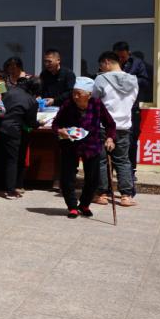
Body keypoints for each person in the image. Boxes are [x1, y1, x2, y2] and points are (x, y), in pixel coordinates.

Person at [53, 77, 115, 218]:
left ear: (89, 94)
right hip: (70, 144)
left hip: (91, 145)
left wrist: (110, 138)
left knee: (93, 179)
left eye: (78, 93)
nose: (75, 96)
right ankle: (72, 207)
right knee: (67, 178)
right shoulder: (68, 104)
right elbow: (56, 124)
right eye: (73, 93)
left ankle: (84, 204)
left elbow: (110, 124)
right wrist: (60, 131)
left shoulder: (97, 104)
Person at [93, 52, 138, 207]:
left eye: (101, 66)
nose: (100, 69)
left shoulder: (101, 79)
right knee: (123, 160)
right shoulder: (133, 80)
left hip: (103, 126)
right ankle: (126, 196)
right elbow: (132, 101)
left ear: (107, 62)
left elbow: (94, 100)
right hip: (124, 126)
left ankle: (102, 194)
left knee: (102, 160)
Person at [114, 41, 151, 188]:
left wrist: (128, 79)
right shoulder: (111, 62)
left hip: (131, 107)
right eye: (118, 57)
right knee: (112, 138)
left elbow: (145, 82)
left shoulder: (137, 63)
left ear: (128, 53)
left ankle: (131, 170)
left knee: (131, 139)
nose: (120, 60)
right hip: (114, 108)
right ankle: (113, 170)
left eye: (122, 57)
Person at [0, 77, 39, 200]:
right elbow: (31, 123)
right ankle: (10, 190)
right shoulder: (31, 100)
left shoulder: (8, 90)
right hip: (13, 130)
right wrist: (39, 123)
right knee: (12, 160)